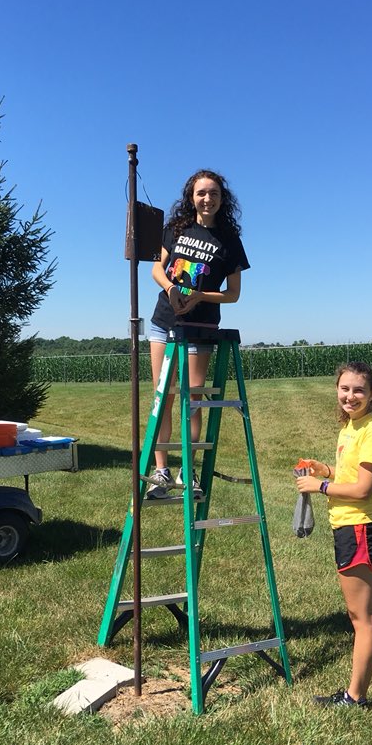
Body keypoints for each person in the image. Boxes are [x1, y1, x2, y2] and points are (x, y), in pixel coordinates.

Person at [295, 362, 372, 707]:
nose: (351, 396)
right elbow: (351, 474)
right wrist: (327, 471)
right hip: (353, 525)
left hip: (361, 527)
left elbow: (364, 489)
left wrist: (319, 485)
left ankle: (354, 697)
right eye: (344, 388)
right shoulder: (352, 427)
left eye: (359, 390)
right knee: (371, 609)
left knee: (360, 618)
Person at [146, 170, 249, 499]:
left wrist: (201, 296)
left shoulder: (229, 240)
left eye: (214, 193)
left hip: (201, 329)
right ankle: (161, 471)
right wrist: (172, 288)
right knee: (164, 397)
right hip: (164, 322)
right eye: (201, 193)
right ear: (191, 196)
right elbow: (156, 269)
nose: (208, 198)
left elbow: (233, 294)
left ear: (222, 199)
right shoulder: (176, 229)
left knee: (192, 399)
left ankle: (186, 472)